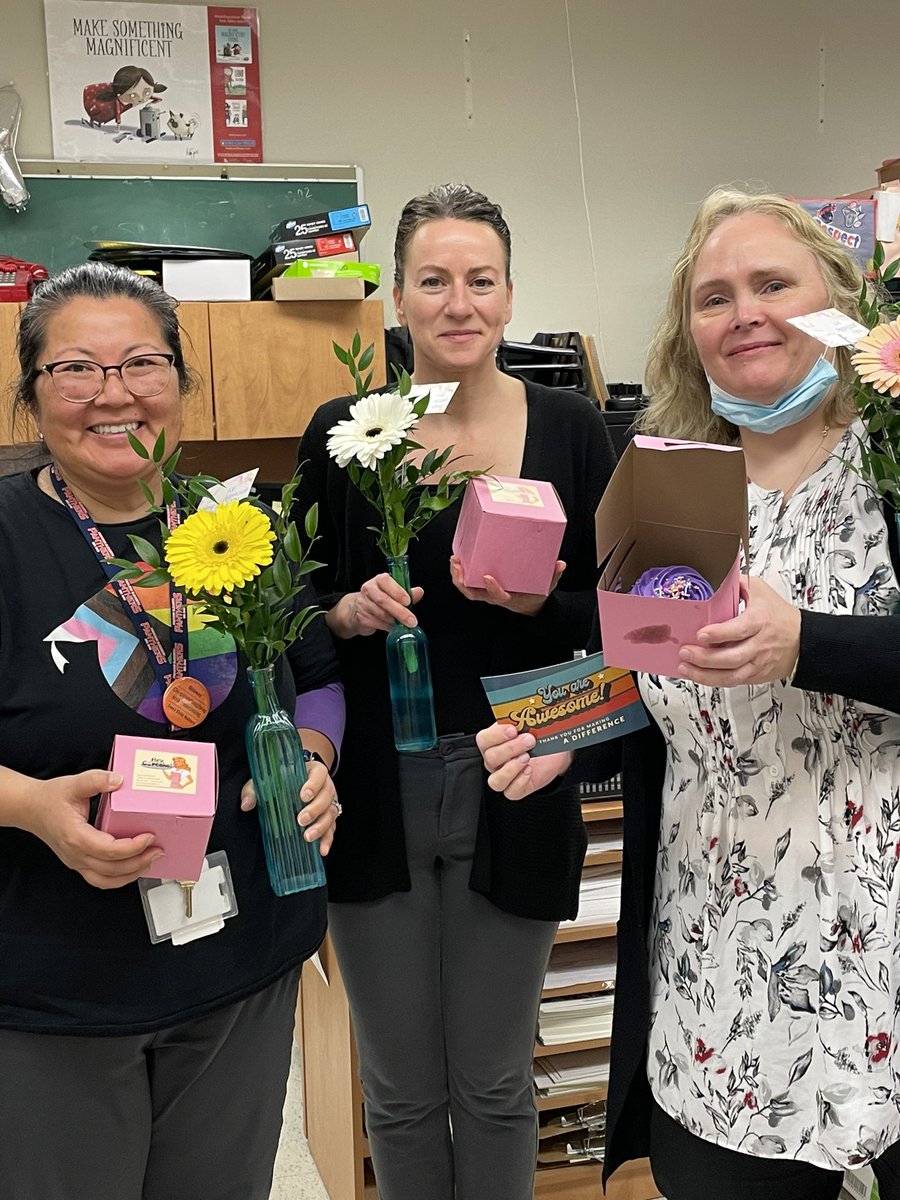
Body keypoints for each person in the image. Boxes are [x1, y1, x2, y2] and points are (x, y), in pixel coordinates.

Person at [478, 188, 900, 1199]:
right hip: (718, 971)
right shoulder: (671, 484)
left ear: (836, 305)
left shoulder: (889, 465)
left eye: (771, 283)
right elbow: (650, 669)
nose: (743, 311)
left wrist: (808, 641)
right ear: (690, 335)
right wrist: (560, 733)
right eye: (714, 297)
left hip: (877, 964)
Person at [294, 183, 617, 1200]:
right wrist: (345, 613)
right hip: (376, 794)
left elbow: (622, 624)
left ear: (512, 295)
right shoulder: (347, 431)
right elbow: (293, 604)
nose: (459, 302)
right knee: (397, 1088)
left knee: (491, 1082)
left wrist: (536, 608)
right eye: (433, 280)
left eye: (481, 280)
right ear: (397, 299)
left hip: (517, 779)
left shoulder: (569, 427)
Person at [0, 261, 344, 1200]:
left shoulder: (238, 524)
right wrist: (31, 806)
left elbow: (313, 677)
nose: (114, 394)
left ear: (182, 386)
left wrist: (315, 762)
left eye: (141, 364)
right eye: (76, 369)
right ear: (33, 397)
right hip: (58, 985)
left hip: (243, 960)